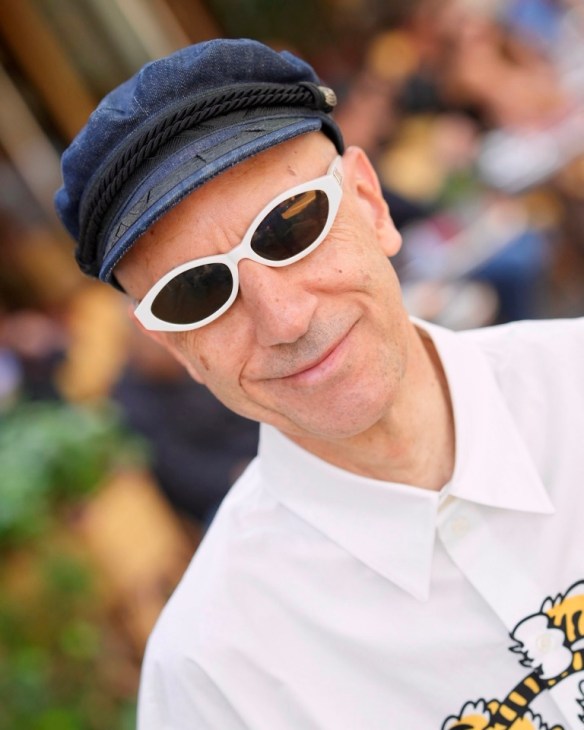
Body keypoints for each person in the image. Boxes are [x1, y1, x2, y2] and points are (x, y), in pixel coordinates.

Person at [55, 39, 584, 730]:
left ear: (370, 204)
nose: (284, 318)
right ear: (173, 345)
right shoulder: (216, 679)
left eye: (291, 226)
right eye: (197, 293)